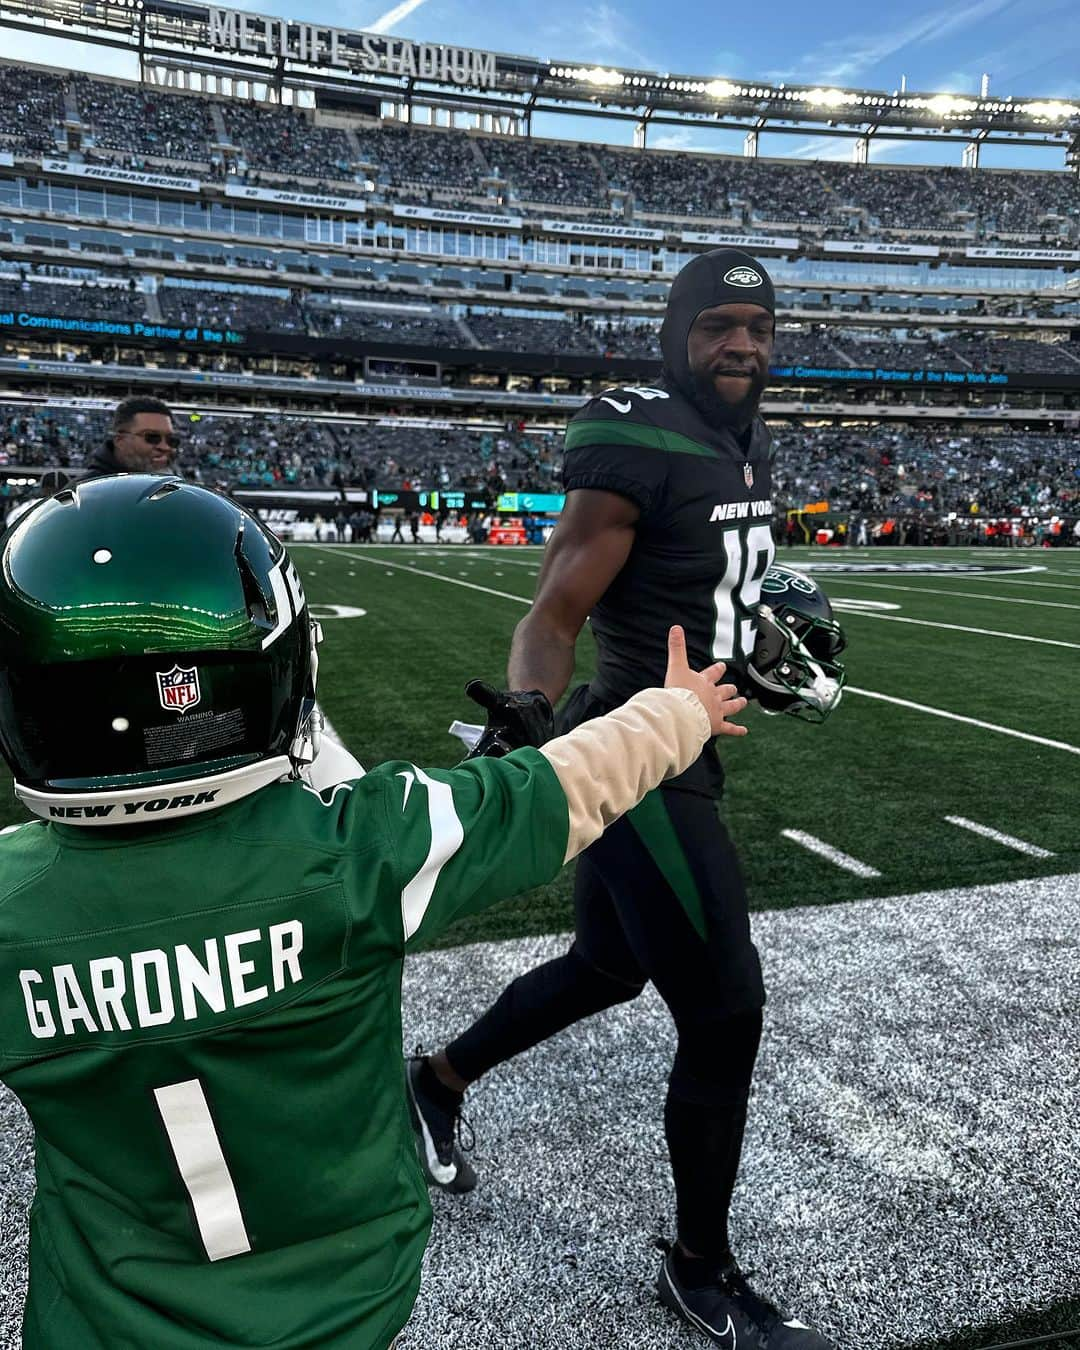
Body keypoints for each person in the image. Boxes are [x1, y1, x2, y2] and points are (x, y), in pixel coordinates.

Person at [0, 473, 749, 1350]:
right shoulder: (362, 852)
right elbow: (558, 787)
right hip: (343, 1304)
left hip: (100, 1324)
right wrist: (681, 712)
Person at [408, 250, 839, 1348]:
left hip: (689, 734)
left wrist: (761, 628)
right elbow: (554, 612)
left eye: (757, 327)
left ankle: (437, 1078)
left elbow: (710, 571)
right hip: (641, 760)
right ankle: (700, 1272)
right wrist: (521, 718)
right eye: (718, 327)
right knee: (726, 1013)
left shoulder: (740, 433)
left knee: (609, 964)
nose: (741, 345)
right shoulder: (638, 432)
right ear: (676, 334)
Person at [83, 395, 181, 478]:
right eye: (152, 437)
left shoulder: (178, 488)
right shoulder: (83, 494)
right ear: (120, 441)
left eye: (171, 440)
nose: (165, 447)